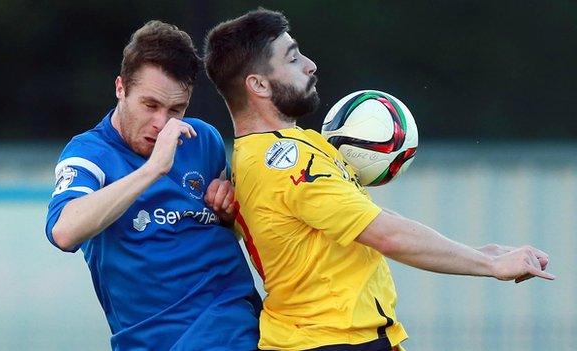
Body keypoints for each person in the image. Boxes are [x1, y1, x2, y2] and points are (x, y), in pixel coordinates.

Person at [203, 9, 554, 351]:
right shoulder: (283, 162)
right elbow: (385, 234)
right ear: (259, 84)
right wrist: (490, 266)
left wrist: (478, 252)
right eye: (293, 59)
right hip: (327, 340)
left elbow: (374, 219)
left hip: (349, 339)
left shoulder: (298, 144)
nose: (310, 64)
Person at [45, 20, 260, 350]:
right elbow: (64, 231)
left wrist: (228, 209)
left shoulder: (203, 140)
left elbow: (232, 226)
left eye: (177, 109)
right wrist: (154, 169)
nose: (163, 123)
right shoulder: (91, 152)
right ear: (121, 88)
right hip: (150, 339)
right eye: (150, 105)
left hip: (231, 325)